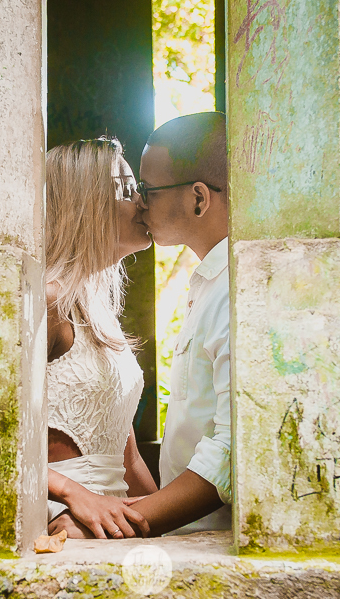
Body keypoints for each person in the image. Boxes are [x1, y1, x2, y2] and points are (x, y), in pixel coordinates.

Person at [43, 137, 158, 539]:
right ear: (84, 203)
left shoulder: (100, 313)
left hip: (113, 520)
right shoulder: (47, 301)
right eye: (126, 190)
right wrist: (73, 495)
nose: (142, 203)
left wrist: (160, 527)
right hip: (63, 516)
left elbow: (128, 459)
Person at [127, 112, 231, 535]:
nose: (138, 203)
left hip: (215, 542)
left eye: (147, 190)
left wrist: (127, 520)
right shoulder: (208, 283)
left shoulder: (234, 291)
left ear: (198, 199)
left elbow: (229, 451)